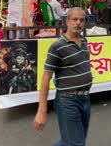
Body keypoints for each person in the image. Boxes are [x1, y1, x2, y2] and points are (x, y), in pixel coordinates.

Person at [34, 8, 92, 146]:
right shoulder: (57, 46)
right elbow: (46, 78)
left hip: (85, 99)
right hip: (67, 101)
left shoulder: (84, 42)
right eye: (74, 19)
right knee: (76, 143)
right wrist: (42, 111)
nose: (78, 23)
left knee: (73, 140)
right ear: (67, 21)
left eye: (82, 20)